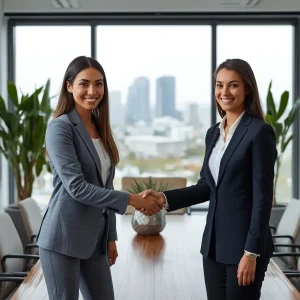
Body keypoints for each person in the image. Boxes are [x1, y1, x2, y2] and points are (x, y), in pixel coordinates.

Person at [141, 58, 277, 300]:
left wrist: (252, 253)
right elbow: (207, 186)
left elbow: (262, 199)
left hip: (244, 248)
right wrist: (163, 198)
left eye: (233, 85)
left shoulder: (259, 132)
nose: (224, 92)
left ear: (247, 89)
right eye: (219, 85)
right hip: (213, 246)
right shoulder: (213, 133)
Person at [36, 56, 164, 300]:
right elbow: (78, 188)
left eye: (99, 84)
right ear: (69, 86)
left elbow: (105, 184)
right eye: (84, 84)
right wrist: (134, 200)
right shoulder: (60, 128)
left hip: (95, 239)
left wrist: (110, 236)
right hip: (63, 238)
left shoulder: (99, 126)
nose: (92, 91)